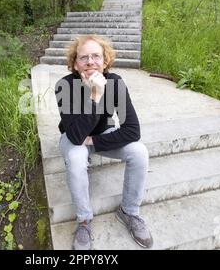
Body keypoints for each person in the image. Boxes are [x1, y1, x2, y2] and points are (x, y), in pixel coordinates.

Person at [54, 34, 153, 250]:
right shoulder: (64, 85)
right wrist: (96, 95)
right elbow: (75, 136)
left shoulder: (115, 82)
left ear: (105, 61)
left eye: (96, 56)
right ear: (74, 63)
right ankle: (84, 220)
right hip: (73, 138)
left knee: (139, 152)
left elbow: (132, 130)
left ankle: (129, 211)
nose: (90, 61)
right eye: (83, 57)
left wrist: (95, 142)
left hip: (100, 135)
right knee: (76, 156)